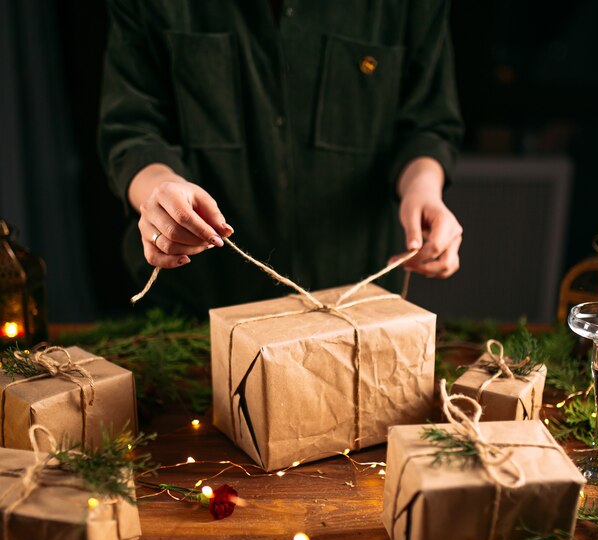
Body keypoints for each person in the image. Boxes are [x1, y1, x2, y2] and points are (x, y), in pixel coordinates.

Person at [98, 0, 463, 317]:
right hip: (195, 309)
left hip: (354, 306)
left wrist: (423, 188)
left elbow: (427, 125)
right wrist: (161, 190)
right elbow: (132, 129)